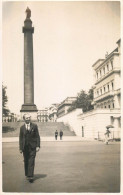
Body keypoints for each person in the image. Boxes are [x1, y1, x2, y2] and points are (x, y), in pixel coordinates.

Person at [19, 114, 40, 183]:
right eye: (27, 118)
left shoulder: (34, 126)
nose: (28, 119)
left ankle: (30, 176)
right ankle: (27, 174)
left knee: (31, 161)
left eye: (29, 117)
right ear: (24, 119)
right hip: (25, 147)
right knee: (26, 161)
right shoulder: (22, 128)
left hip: (33, 147)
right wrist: (20, 148)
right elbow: (21, 139)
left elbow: (37, 136)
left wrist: (38, 146)